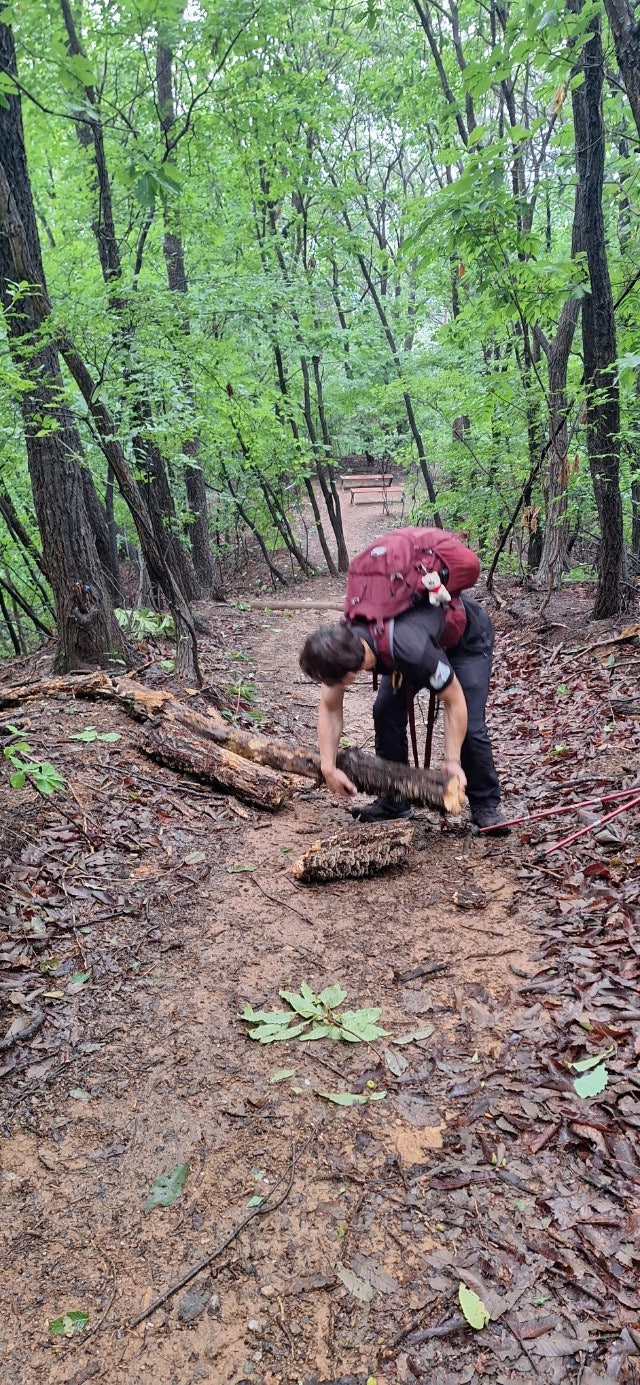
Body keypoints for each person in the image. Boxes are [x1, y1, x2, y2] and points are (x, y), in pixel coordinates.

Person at [299, 591, 509, 834]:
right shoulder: (338, 646)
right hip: (413, 642)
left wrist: (452, 761)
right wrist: (328, 765)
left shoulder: (413, 651)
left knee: (470, 727)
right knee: (385, 710)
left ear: (349, 676)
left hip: (464, 640)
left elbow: (454, 700)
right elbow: (329, 707)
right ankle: (394, 800)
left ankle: (486, 804)